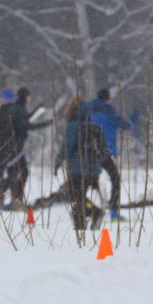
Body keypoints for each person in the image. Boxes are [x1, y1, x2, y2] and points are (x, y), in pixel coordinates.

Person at [55, 98, 112, 231]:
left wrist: (59, 159)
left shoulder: (72, 125)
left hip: (77, 168)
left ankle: (92, 214)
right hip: (93, 168)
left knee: (78, 197)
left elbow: (68, 146)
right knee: (79, 198)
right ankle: (84, 220)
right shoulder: (92, 124)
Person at [88, 88, 141, 221]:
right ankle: (113, 212)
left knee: (90, 181)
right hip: (107, 152)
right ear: (108, 99)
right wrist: (136, 114)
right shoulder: (110, 112)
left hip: (90, 151)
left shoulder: (88, 111)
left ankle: (88, 207)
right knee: (115, 180)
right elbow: (127, 125)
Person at [1, 87, 52, 210]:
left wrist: (37, 109)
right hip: (15, 147)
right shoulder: (18, 108)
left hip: (15, 146)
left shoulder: (19, 107)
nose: (30, 98)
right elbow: (25, 125)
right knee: (18, 172)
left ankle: (15, 198)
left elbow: (25, 119)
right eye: (29, 96)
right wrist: (44, 124)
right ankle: (14, 199)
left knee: (19, 172)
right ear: (25, 96)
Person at [0, 89, 15, 209]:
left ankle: (0, 200)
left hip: (2, 148)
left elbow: (4, 131)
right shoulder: (5, 111)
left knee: (0, 174)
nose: (0, 99)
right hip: (5, 148)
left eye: (2, 98)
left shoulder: (4, 111)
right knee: (2, 174)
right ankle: (0, 199)